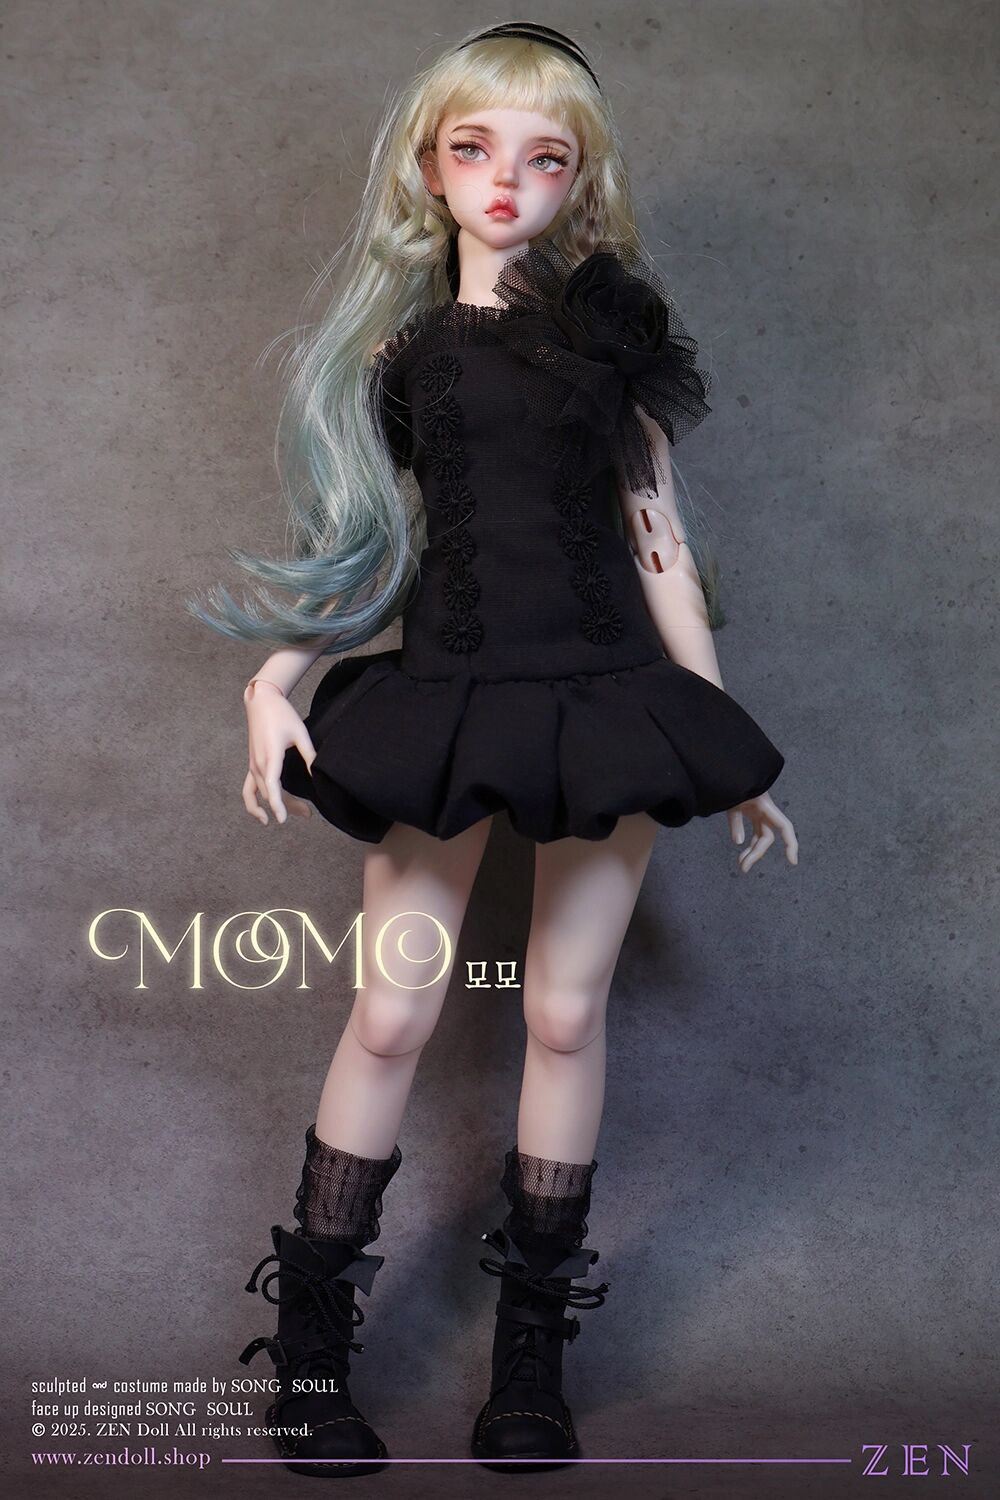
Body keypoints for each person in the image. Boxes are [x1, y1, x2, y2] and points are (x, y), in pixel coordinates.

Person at [189, 19, 799, 1479]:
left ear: (582, 179)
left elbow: (658, 539)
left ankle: (532, 1355)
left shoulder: (606, 340)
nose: (507, 180)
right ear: (429, 168)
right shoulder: (404, 357)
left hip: (600, 702)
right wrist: (277, 680)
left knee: (566, 1015)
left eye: (545, 157)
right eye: (475, 149)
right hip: (449, 699)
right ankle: (316, 1350)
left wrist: (724, 742)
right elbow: (370, 542)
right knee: (392, 1014)